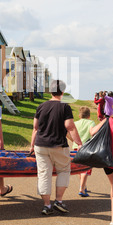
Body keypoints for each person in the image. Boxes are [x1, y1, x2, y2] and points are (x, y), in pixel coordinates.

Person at [30, 80, 83, 215]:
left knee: (44, 174)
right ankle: (58, 201)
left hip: (40, 145)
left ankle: (47, 206)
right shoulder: (64, 107)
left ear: (51, 91)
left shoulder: (41, 106)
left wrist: (32, 146)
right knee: (64, 170)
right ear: (63, 92)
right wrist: (79, 143)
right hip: (58, 145)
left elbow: (35, 128)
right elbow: (70, 127)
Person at [69, 106, 96, 197]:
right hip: (87, 147)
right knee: (86, 169)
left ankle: (83, 185)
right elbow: (92, 132)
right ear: (89, 116)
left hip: (76, 147)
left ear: (79, 116)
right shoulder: (91, 122)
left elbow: (68, 133)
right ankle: (82, 189)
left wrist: (73, 140)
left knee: (79, 168)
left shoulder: (75, 123)